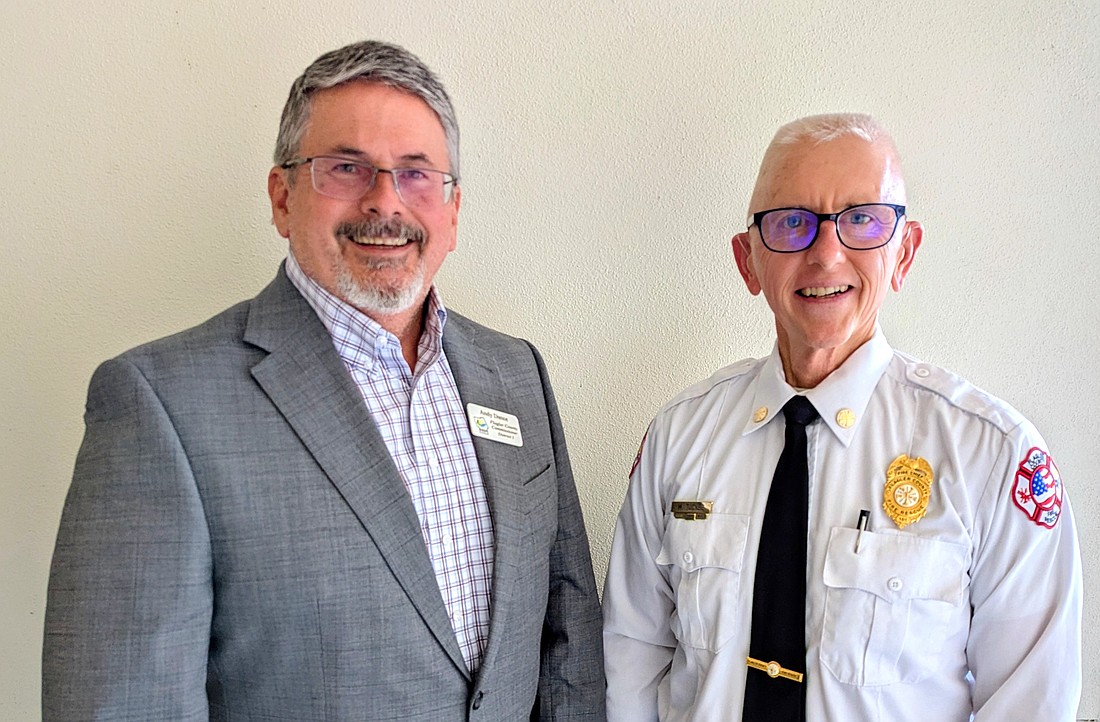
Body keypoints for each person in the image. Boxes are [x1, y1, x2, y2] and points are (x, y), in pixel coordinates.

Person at [42, 40, 605, 721]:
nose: (385, 201)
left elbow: (567, 638)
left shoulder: (515, 374)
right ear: (282, 198)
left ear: (453, 212)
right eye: (347, 167)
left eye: (417, 173)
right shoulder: (160, 405)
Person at [602, 113, 1082, 721]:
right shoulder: (679, 438)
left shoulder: (991, 456)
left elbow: (1029, 702)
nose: (825, 253)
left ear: (903, 254)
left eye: (861, 220)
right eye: (791, 223)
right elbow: (631, 660)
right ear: (748, 261)